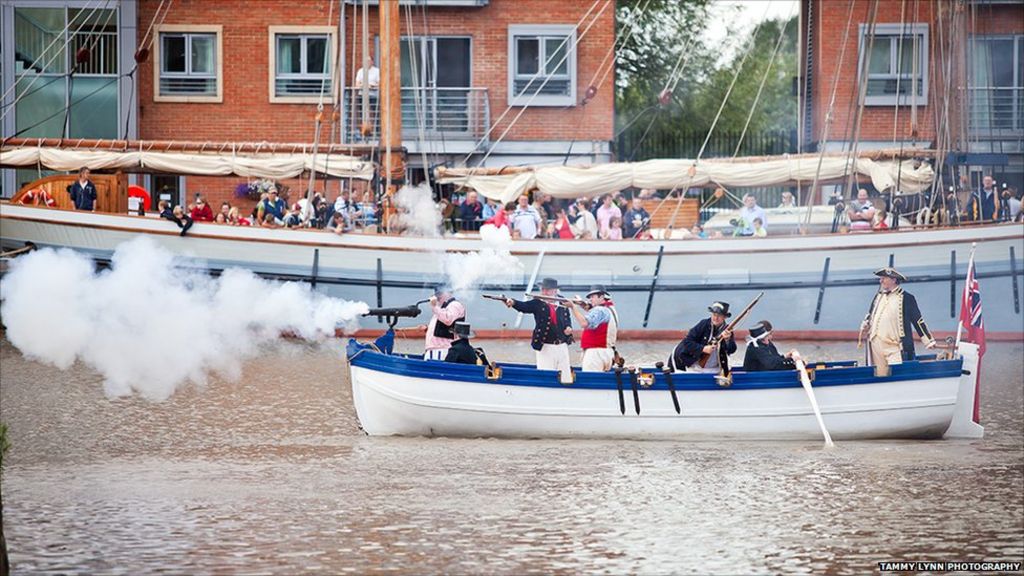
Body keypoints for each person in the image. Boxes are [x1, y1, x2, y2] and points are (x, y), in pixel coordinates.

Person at [859, 267, 936, 373]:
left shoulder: (906, 298)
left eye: (883, 278)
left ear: (893, 280)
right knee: (879, 375)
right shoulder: (878, 296)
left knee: (899, 373)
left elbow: (918, 320)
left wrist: (929, 341)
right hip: (876, 344)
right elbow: (871, 314)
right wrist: (866, 324)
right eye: (880, 278)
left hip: (895, 347)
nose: (880, 281)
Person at [503, 277, 574, 381]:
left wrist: (569, 327)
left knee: (565, 378)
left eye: (547, 289)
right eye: (543, 289)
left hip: (562, 346)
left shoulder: (563, 302)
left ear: (555, 291)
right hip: (545, 346)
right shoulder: (537, 302)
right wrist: (513, 302)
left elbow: (567, 318)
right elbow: (524, 306)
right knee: (546, 376)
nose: (544, 291)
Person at [669, 301, 736, 373]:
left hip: (712, 366)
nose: (716, 318)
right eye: (714, 315)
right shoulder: (703, 324)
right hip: (689, 362)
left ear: (725, 317)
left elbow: (732, 350)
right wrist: (703, 349)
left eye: (719, 315)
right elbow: (687, 342)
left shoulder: (727, 330)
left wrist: (727, 340)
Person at [568, 286, 619, 372]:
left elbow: (584, 323)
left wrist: (573, 307)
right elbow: (593, 312)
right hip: (607, 352)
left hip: (595, 353)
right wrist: (581, 304)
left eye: (593, 296)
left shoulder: (599, 310)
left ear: (602, 297)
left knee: (589, 380)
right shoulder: (609, 308)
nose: (590, 299)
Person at [424, 286, 466, 361]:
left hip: (442, 348)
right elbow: (440, 325)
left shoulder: (455, 305)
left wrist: (434, 307)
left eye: (440, 293)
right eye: (436, 294)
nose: (437, 296)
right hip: (434, 349)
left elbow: (448, 320)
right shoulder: (441, 308)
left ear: (449, 293)